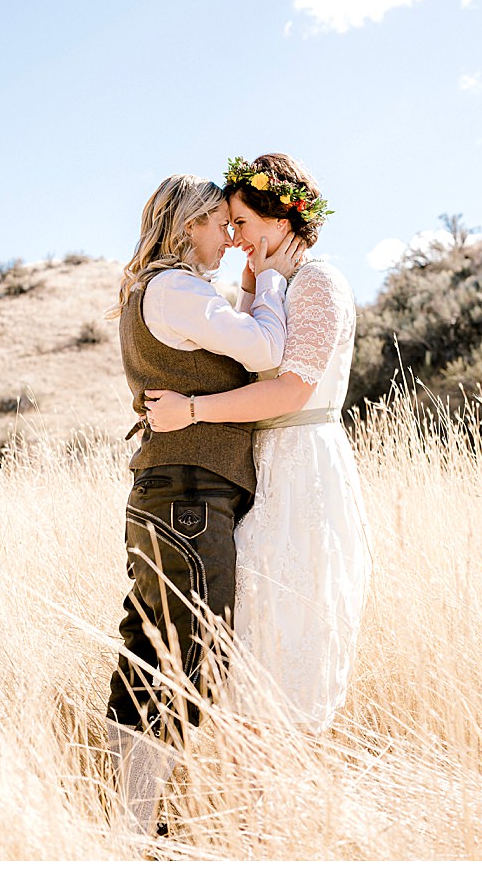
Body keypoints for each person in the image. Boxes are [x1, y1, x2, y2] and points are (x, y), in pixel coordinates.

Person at [104, 172, 304, 832]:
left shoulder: (152, 291)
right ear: (190, 225)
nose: (228, 238)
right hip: (189, 496)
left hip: (166, 493)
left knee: (150, 654)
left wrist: (246, 289)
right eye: (220, 224)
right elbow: (268, 348)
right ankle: (147, 827)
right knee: (193, 660)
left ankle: (126, 820)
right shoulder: (178, 290)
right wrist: (270, 279)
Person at [146, 153, 372, 736]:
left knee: (288, 615)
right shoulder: (277, 286)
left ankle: (279, 779)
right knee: (252, 619)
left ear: (277, 220)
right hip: (265, 464)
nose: (234, 236)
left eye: (240, 223)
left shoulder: (319, 282)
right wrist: (252, 287)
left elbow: (291, 391)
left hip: (302, 464)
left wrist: (190, 410)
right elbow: (247, 359)